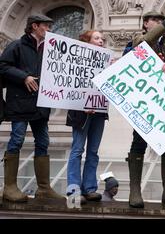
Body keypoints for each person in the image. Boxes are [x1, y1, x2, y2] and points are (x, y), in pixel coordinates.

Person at [0, 14, 65, 202]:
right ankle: (10, 187)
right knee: (16, 140)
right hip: (20, 104)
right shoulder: (17, 46)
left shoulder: (48, 49)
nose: (50, 29)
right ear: (34, 26)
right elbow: (2, 66)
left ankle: (43, 188)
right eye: (46, 26)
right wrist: (24, 77)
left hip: (40, 105)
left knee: (43, 142)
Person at [124, 9, 165, 208]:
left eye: (160, 20)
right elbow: (142, 45)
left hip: (163, 101)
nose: (158, 23)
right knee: (139, 142)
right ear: (146, 23)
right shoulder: (138, 38)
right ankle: (134, 190)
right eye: (154, 20)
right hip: (143, 100)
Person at [66, 30, 109, 202]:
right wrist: (82, 104)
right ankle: (74, 191)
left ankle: (90, 188)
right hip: (80, 113)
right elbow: (69, 85)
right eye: (97, 38)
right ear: (87, 41)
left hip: (99, 112)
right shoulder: (76, 61)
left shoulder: (105, 61)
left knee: (93, 151)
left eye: (102, 39)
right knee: (77, 150)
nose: (101, 41)